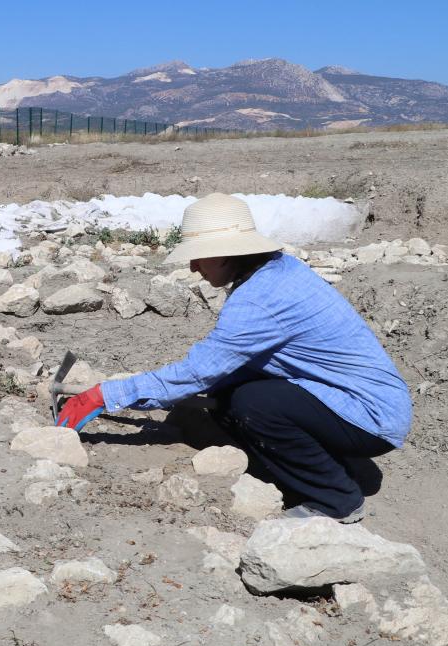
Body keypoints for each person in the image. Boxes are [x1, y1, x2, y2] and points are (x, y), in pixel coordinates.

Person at [56, 193, 411, 523]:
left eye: (199, 255)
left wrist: (105, 396)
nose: (194, 267)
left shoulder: (258, 300)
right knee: (230, 394)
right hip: (354, 400)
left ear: (227, 252)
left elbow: (197, 372)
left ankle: (336, 499)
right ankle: (303, 460)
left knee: (254, 403)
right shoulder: (275, 271)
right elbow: (217, 369)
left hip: (370, 417)